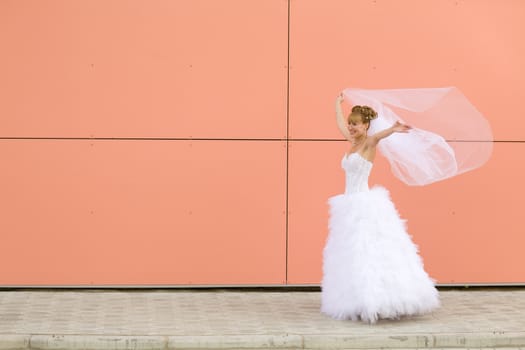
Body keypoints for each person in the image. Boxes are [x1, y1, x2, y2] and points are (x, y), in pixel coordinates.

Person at [321, 93, 440, 323]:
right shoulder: (353, 143)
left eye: (355, 124)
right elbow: (339, 125)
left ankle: (376, 299)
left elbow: (378, 137)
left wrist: (392, 129)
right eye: (351, 123)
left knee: (368, 250)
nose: (351, 127)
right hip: (349, 204)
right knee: (351, 252)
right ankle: (354, 299)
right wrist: (336, 105)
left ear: (366, 125)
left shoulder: (368, 143)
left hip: (363, 204)